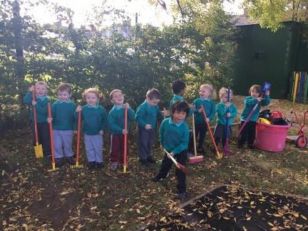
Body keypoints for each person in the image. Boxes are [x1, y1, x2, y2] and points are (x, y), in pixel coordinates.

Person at [152, 101, 190, 201]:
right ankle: (161, 175)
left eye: (183, 114)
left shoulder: (185, 128)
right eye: (178, 112)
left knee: (180, 171)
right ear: (172, 112)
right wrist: (162, 143)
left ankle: (182, 191)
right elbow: (161, 133)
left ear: (186, 115)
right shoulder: (165, 122)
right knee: (165, 164)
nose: (180, 116)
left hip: (180, 151)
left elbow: (184, 143)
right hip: (168, 149)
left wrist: (174, 152)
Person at [76, 88, 107, 169]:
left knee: (98, 147)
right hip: (87, 132)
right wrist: (77, 111)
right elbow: (77, 118)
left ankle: (99, 161)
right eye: (88, 98)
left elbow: (105, 121)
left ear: (97, 99)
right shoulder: (84, 108)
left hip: (97, 132)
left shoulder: (101, 109)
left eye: (93, 98)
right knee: (89, 148)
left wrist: (102, 129)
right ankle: (91, 161)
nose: (90, 100)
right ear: (85, 99)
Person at [108, 89, 135, 171]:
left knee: (125, 147)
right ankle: (114, 161)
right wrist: (120, 130)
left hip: (125, 133)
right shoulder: (112, 112)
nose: (119, 97)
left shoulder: (126, 108)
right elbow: (111, 124)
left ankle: (123, 161)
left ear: (123, 96)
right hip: (116, 133)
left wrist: (129, 109)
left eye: (120, 95)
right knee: (115, 148)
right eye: (116, 96)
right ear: (112, 100)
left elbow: (133, 117)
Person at [23, 81, 51, 158]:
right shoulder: (33, 97)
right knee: (36, 137)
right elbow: (25, 100)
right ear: (35, 90)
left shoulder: (47, 100)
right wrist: (30, 92)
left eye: (43, 89)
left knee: (45, 137)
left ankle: (47, 152)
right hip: (34, 121)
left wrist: (36, 105)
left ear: (46, 90)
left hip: (44, 122)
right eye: (38, 88)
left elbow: (44, 111)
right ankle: (39, 153)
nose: (40, 90)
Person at [238, 84, 270, 149]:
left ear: (259, 93)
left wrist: (267, 95)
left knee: (251, 133)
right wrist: (256, 100)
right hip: (245, 119)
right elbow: (248, 103)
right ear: (250, 92)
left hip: (253, 120)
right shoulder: (247, 99)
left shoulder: (260, 100)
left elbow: (266, 102)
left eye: (256, 92)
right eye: (253, 91)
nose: (254, 93)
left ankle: (250, 144)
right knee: (243, 132)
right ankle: (240, 143)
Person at [135, 88, 163, 166]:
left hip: (152, 128)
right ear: (147, 98)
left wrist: (163, 114)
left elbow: (158, 113)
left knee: (150, 142)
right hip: (143, 129)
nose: (155, 104)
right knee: (143, 143)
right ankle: (143, 158)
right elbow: (137, 117)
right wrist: (144, 125)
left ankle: (148, 155)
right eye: (154, 102)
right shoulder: (142, 107)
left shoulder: (155, 106)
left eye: (157, 102)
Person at [51, 83, 76, 167]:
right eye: (60, 94)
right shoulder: (55, 105)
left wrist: (75, 128)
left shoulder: (72, 105)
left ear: (70, 95)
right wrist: (50, 119)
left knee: (67, 144)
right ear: (57, 95)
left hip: (68, 128)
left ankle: (69, 156)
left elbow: (75, 118)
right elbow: (52, 115)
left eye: (64, 94)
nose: (62, 96)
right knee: (57, 144)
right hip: (56, 128)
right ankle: (58, 157)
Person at [192, 84, 216, 154]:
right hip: (196, 122)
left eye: (204, 91)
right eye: (200, 91)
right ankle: (191, 147)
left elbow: (213, 112)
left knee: (202, 135)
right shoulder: (196, 101)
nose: (201, 93)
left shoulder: (211, 103)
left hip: (205, 123)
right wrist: (197, 111)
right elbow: (192, 110)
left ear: (209, 93)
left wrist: (209, 118)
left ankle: (200, 146)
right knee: (194, 134)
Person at [214, 87, 237, 154]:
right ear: (221, 97)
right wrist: (225, 107)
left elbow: (235, 112)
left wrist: (231, 114)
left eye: (229, 97)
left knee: (225, 136)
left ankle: (225, 147)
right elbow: (221, 113)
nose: (227, 99)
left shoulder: (232, 106)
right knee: (218, 136)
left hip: (228, 124)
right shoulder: (219, 105)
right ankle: (215, 146)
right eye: (225, 97)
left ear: (231, 97)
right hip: (220, 124)